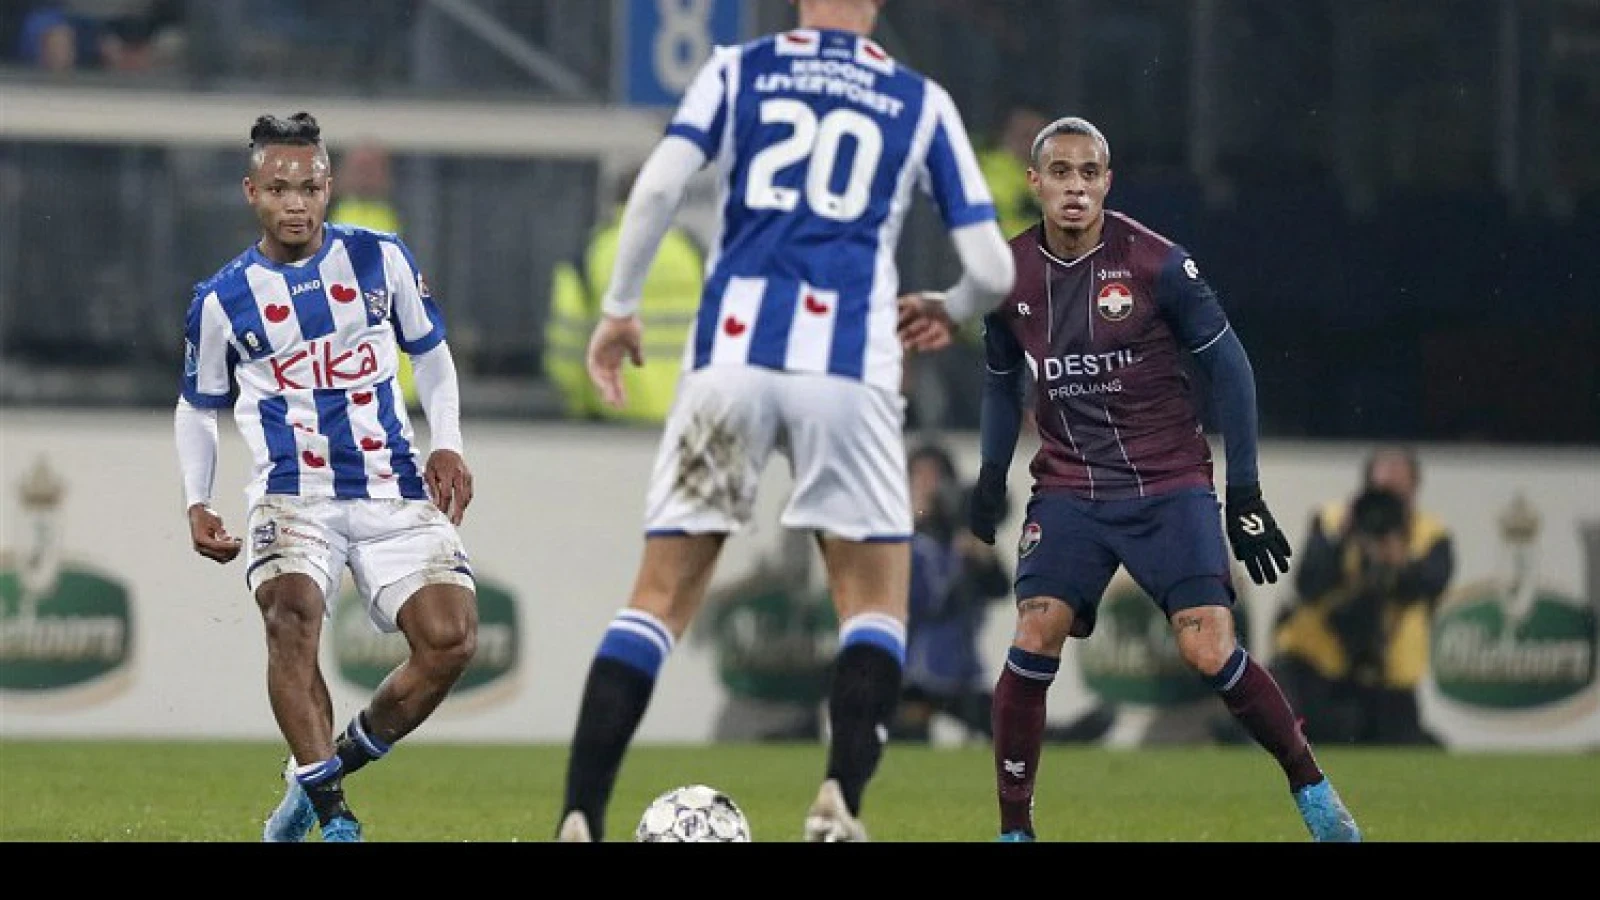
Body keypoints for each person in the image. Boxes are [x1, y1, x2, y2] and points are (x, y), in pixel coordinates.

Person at [555, 0, 1015, 843]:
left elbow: (658, 184)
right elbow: (992, 265)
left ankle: (581, 814)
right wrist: (951, 307)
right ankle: (838, 800)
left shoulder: (739, 70)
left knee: (658, 598)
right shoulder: (920, 100)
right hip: (847, 368)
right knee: (875, 603)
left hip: (730, 360)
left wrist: (619, 308)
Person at [952, 115, 1361, 842]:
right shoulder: (1006, 275)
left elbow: (1231, 367)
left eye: (1089, 173)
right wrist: (989, 475)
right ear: (1035, 183)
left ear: (1107, 182)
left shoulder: (1157, 264)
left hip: (1168, 482)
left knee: (1207, 648)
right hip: (1070, 487)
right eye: (1062, 173)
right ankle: (1014, 831)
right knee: (1036, 629)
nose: (1075, 187)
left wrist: (1245, 493)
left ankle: (1311, 786)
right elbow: (998, 381)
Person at [174, 112, 478, 843]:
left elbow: (431, 356)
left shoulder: (383, 260)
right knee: (290, 612)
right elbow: (197, 407)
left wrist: (449, 443)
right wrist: (197, 500)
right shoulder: (222, 300)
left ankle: (315, 781)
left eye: (309, 186)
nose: (296, 203)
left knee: (451, 640)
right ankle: (337, 821)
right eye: (279, 188)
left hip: (391, 486)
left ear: (329, 186)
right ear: (253, 192)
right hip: (293, 494)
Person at [1271, 446, 1454, 745]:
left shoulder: (1430, 534)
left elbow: (1430, 586)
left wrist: (1398, 562)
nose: (1386, 508)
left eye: (1396, 495)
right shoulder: (1332, 520)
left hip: (1389, 680)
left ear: (1414, 491)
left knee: (1407, 752)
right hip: (1319, 670)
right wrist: (1343, 539)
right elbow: (1307, 583)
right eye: (1380, 493)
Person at [545, 166, 703, 424]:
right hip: (686, 411)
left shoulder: (590, 255)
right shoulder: (693, 253)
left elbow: (566, 348)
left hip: (613, 412)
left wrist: (577, 407)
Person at [891, 443, 1011, 743]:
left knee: (1004, 726)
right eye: (919, 477)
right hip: (906, 666)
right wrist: (915, 517)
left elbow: (998, 587)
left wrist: (981, 554)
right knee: (905, 732)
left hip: (958, 669)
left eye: (936, 476)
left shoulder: (958, 533)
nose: (929, 486)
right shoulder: (901, 535)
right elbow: (919, 600)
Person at [326, 139, 419, 410]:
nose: (365, 177)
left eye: (373, 168)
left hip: (398, 382)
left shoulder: (408, 221)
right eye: (359, 168)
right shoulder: (319, 222)